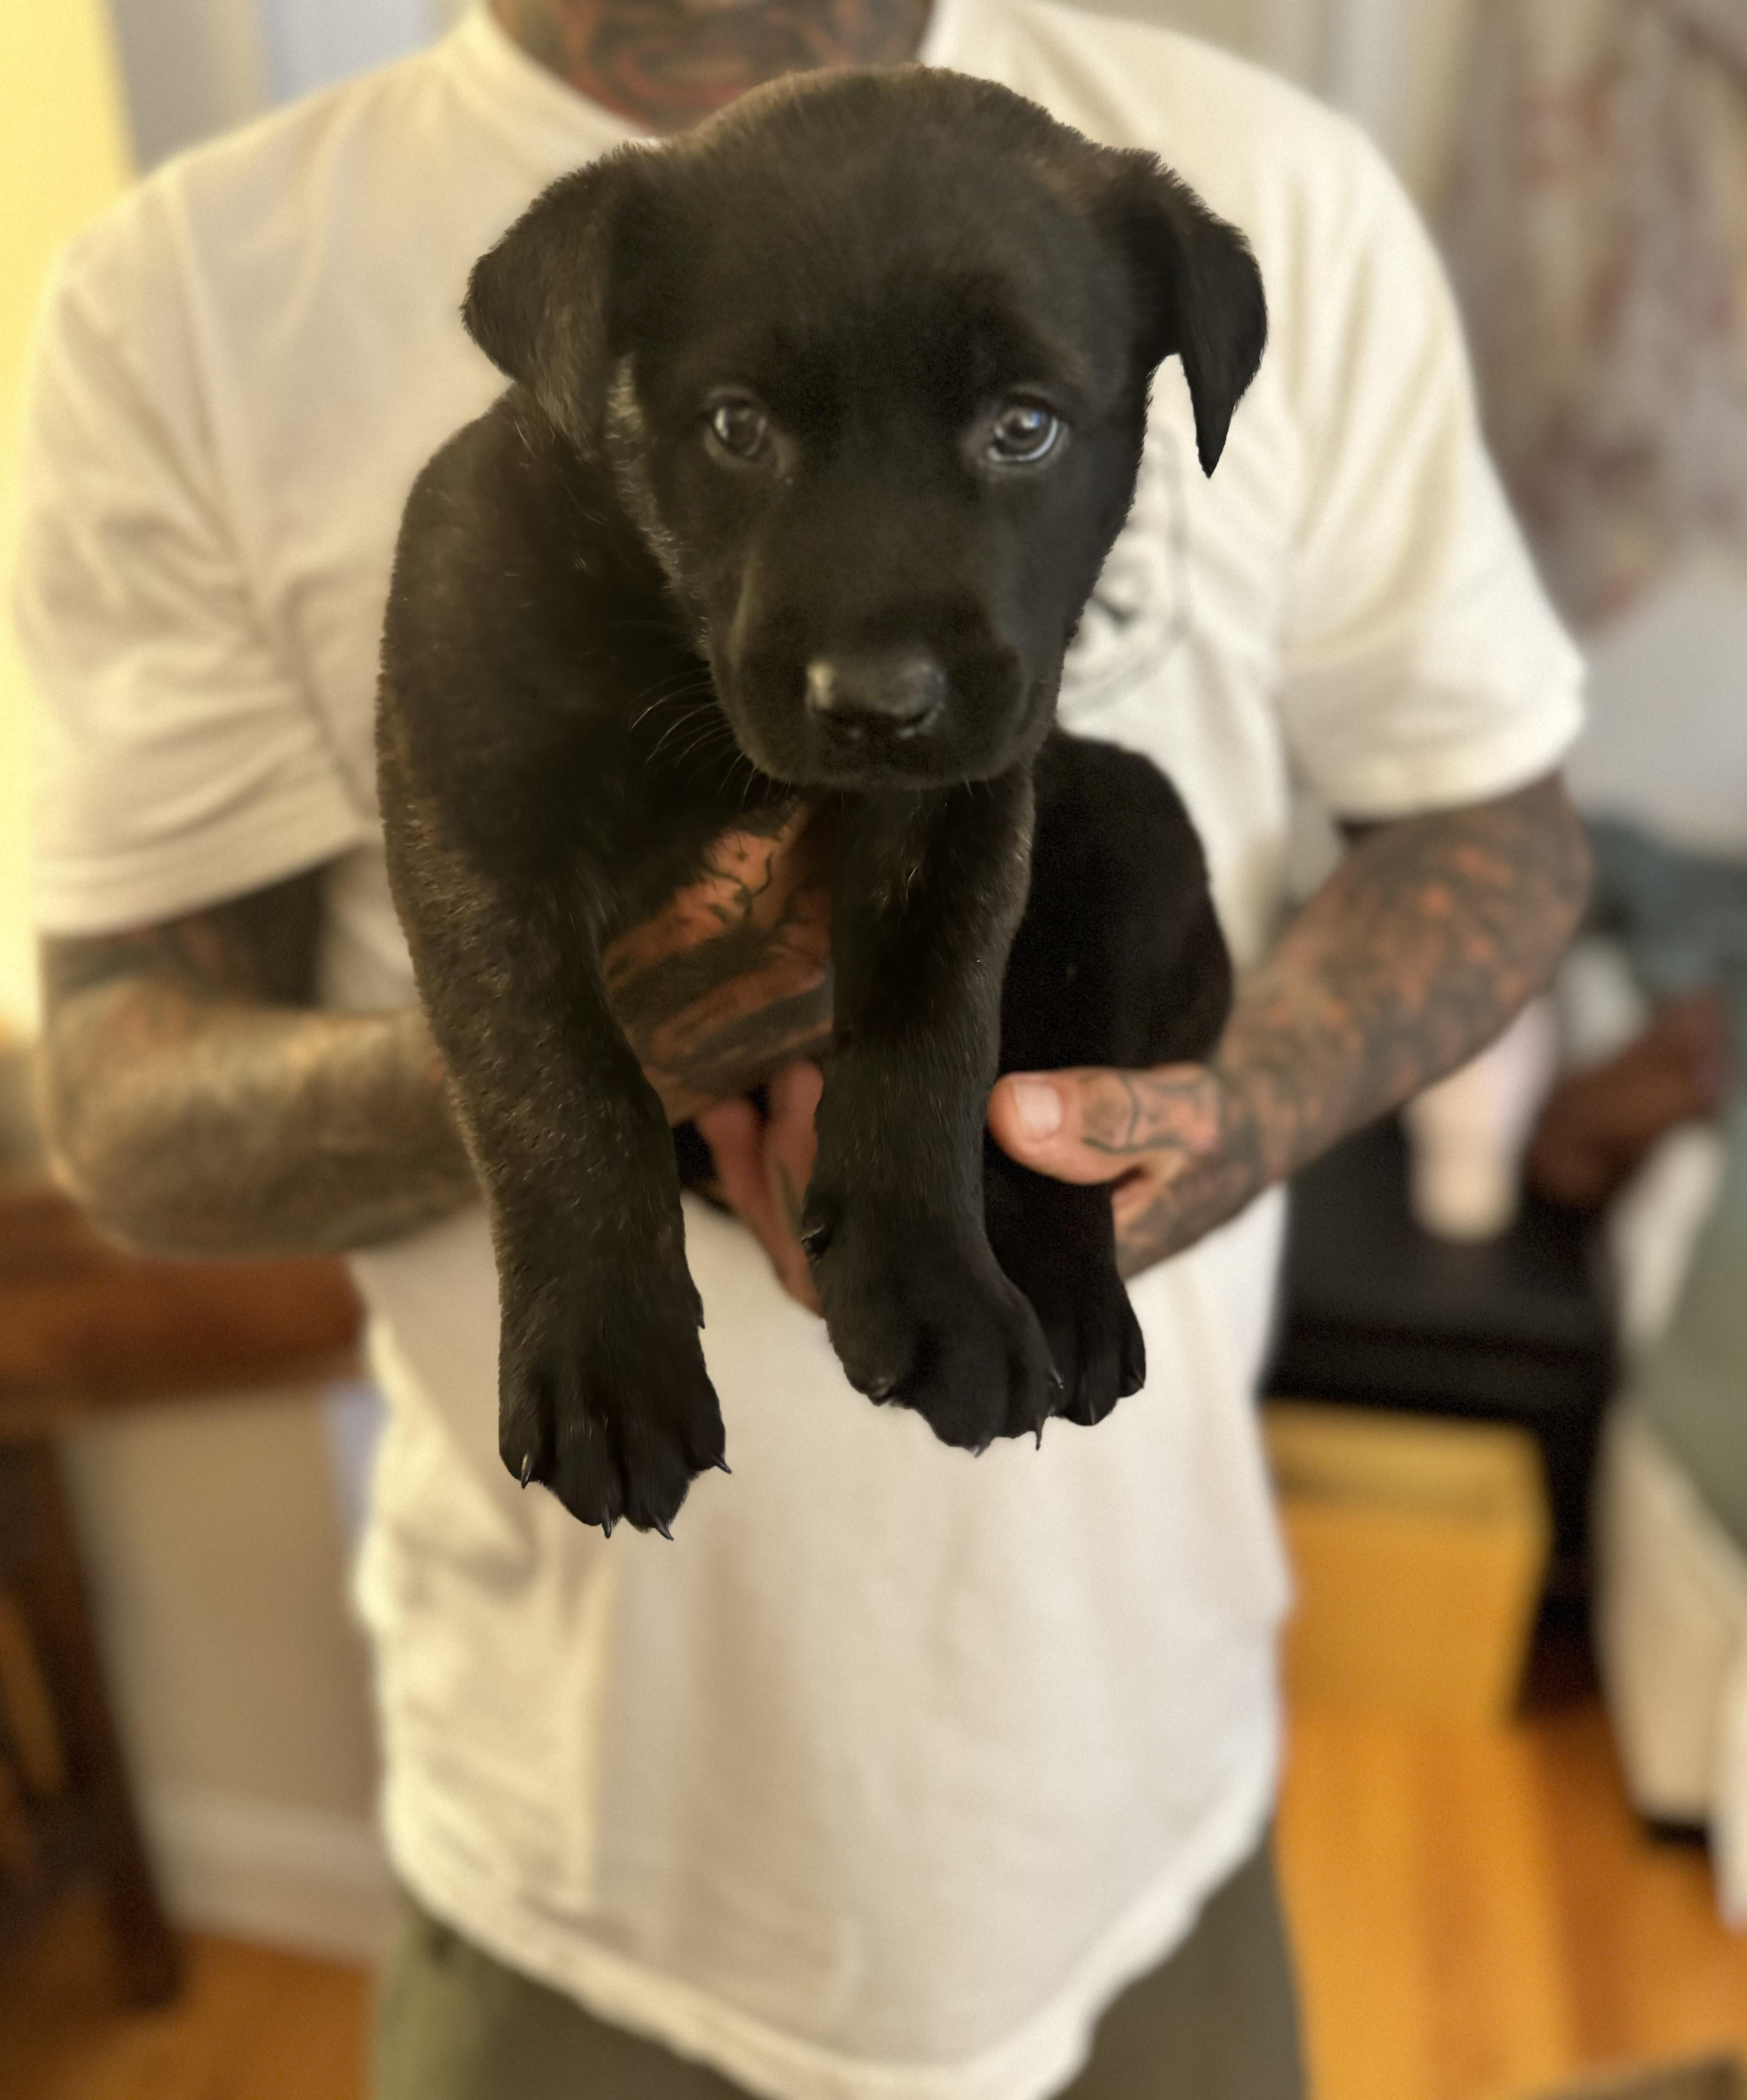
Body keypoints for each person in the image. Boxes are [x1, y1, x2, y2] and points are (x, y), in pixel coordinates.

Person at [13, 1, 1590, 2095]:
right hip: (579, 1843)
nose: (878, 635)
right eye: (743, 429)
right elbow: (119, 1108)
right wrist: (610, 1098)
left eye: (1020, 426)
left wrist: (1193, 1134)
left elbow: (1497, 823)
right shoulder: (188, 297)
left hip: (1134, 1781)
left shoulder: (1254, 185)